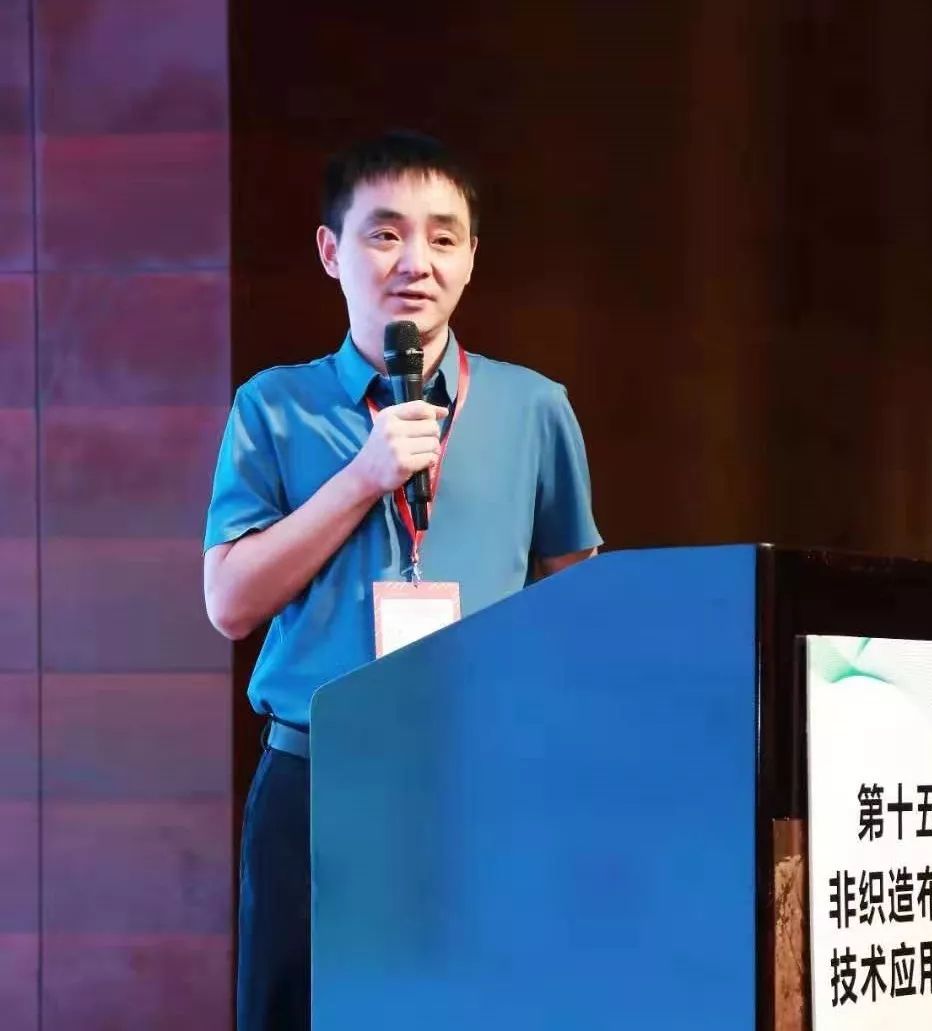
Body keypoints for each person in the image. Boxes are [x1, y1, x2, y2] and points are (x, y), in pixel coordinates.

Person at [202, 130, 602, 1031]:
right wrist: (361, 478)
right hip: (316, 783)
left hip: (480, 786)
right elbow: (228, 602)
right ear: (330, 250)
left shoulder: (535, 407)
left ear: (470, 258)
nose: (416, 261)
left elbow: (581, 612)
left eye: (443, 236)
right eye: (385, 233)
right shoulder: (274, 405)